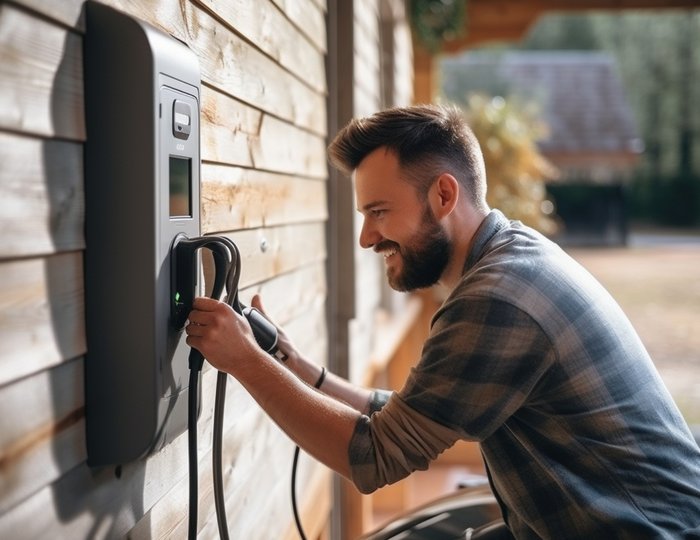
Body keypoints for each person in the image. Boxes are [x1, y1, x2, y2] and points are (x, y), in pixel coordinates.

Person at [185, 104, 700, 538]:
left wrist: (246, 362)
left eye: (380, 212)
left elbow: (374, 456)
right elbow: (411, 418)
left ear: (444, 196)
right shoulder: (510, 258)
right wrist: (292, 364)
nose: (366, 238)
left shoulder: (499, 299)